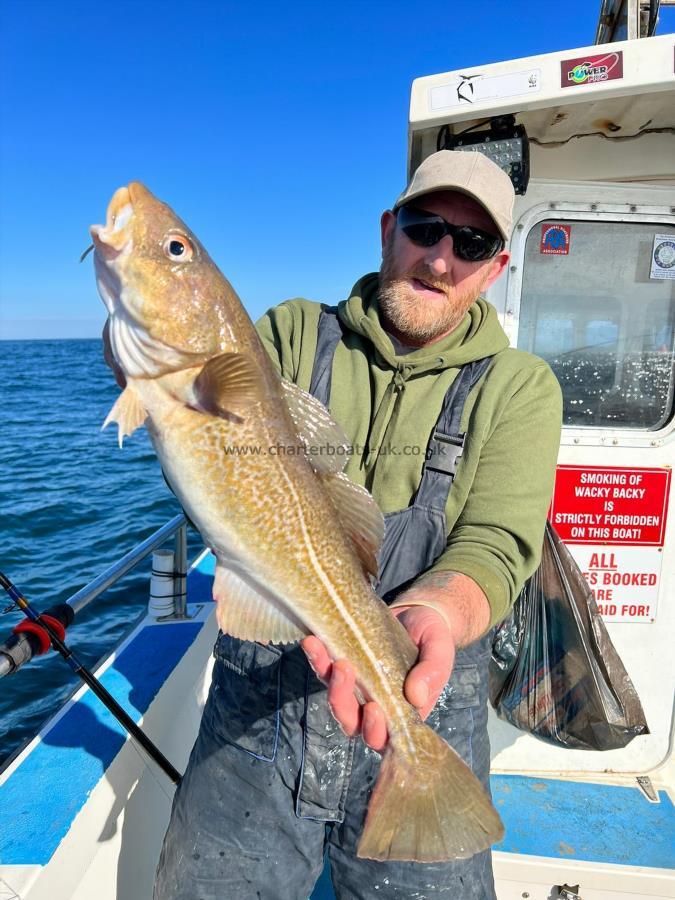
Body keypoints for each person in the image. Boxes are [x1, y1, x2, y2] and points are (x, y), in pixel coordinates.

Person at [153, 150, 563, 900]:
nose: (440, 257)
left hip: (418, 692)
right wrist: (159, 379)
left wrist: (435, 610)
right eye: (425, 226)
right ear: (388, 228)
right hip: (257, 718)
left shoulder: (520, 387)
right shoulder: (288, 335)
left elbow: (498, 543)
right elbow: (216, 475)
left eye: (469, 244)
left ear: (494, 267)